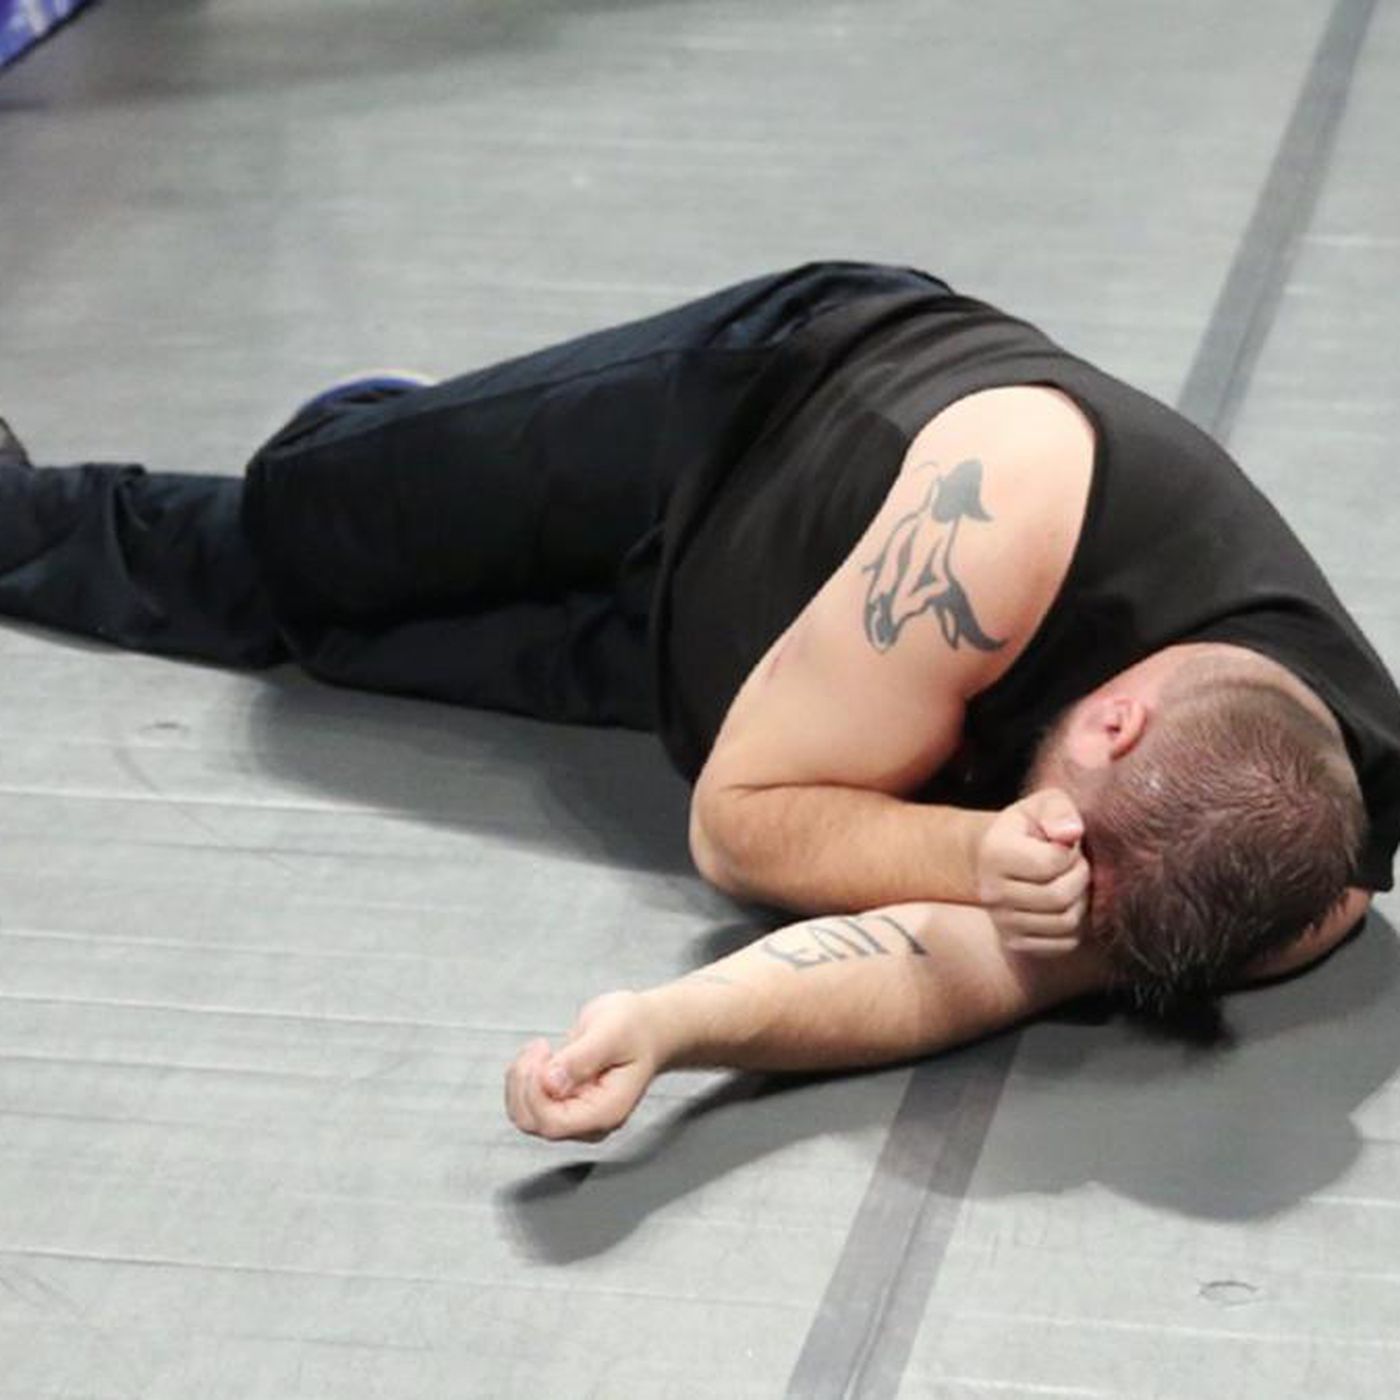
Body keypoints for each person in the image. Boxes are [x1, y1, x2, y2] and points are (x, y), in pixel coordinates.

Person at [2, 262, 1397, 1144]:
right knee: (302, 527)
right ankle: (356, 443)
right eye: (1066, 850)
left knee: (333, 640)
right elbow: (740, 830)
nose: (1061, 883)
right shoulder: (1013, 507)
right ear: (1116, 718)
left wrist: (671, 1029)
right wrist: (983, 848)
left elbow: (949, 966)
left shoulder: (1257, 876)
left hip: (732, 684)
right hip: (740, 423)